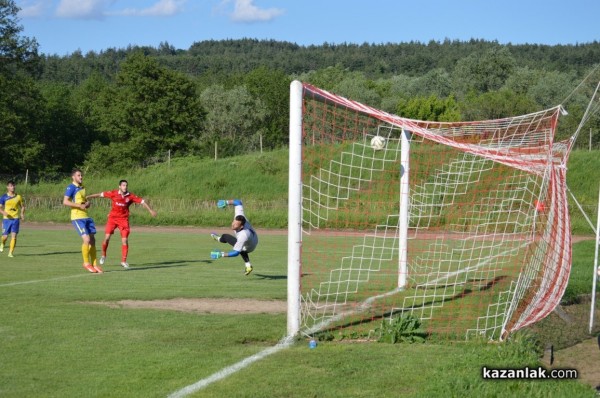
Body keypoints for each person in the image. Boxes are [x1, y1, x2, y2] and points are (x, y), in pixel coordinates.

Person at [87, 180, 157, 269]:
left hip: (123, 220)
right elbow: (100, 194)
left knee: (124, 240)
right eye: (123, 185)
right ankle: (103, 255)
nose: (125, 187)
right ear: (119, 186)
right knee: (107, 238)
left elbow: (142, 201)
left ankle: (123, 261)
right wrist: (88, 196)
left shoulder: (130, 196)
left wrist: (150, 210)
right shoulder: (113, 193)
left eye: (126, 185)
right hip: (112, 219)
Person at [63, 168, 101, 273]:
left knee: (93, 240)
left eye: (81, 175)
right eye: (78, 175)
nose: (81, 177)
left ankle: (94, 264)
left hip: (86, 216)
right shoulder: (71, 187)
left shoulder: (82, 187)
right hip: (77, 217)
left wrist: (87, 204)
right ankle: (86, 263)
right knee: (87, 240)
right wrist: (79, 205)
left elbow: (83, 202)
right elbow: (65, 202)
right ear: (73, 177)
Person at [210, 199, 258, 276]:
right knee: (239, 245)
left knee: (226, 237)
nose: (233, 224)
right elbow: (238, 202)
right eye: (233, 222)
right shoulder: (239, 216)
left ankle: (218, 239)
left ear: (241, 226)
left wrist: (221, 254)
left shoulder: (243, 235)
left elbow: (235, 253)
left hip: (250, 246)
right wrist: (226, 202)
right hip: (253, 237)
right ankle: (248, 266)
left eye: (236, 225)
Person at [0, 181, 26, 257]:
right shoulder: (3, 197)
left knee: (13, 236)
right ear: (7, 187)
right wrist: (3, 212)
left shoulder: (18, 197)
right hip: (6, 220)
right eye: (11, 186)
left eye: (14, 186)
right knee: (5, 237)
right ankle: (2, 243)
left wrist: (21, 214)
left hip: (15, 219)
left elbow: (23, 206)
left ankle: (10, 253)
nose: (13, 187)